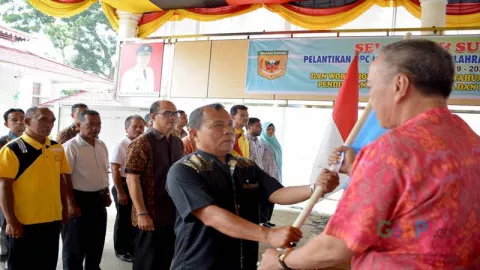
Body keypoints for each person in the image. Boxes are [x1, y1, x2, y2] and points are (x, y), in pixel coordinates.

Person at [258, 39, 480, 269]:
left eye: (372, 86)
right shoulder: (470, 141)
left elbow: (337, 246)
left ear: (399, 85)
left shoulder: (393, 148)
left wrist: (281, 262)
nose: (371, 98)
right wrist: (358, 170)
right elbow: (423, 199)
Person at [166, 103, 338, 270]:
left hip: (243, 260)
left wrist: (316, 187)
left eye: (230, 125)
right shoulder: (184, 170)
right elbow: (210, 215)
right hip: (200, 262)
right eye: (218, 126)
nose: (228, 131)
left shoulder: (245, 165)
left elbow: (277, 192)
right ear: (195, 134)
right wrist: (268, 235)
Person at [0, 107, 70, 270]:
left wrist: (65, 207)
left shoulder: (56, 147)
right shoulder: (12, 149)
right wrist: (11, 220)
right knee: (21, 265)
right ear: (27, 122)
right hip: (23, 221)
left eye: (52, 121)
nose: (49, 124)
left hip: (51, 220)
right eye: (43, 119)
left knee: (47, 263)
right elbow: (4, 187)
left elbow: (60, 179)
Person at [125, 100, 184, 270]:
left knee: (167, 259)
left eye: (175, 114)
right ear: (153, 117)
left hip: (172, 213)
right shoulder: (141, 143)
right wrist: (142, 213)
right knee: (147, 262)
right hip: (149, 213)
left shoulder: (177, 142)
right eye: (167, 114)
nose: (172, 118)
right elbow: (132, 180)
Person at [62, 110, 111, 270]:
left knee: (96, 242)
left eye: (99, 125)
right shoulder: (71, 146)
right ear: (78, 125)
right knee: (75, 245)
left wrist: (107, 193)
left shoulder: (101, 145)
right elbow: (65, 177)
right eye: (91, 124)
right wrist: (70, 203)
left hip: (98, 199)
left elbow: (103, 171)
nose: (96, 128)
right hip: (78, 199)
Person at [109, 115, 145, 262]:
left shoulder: (142, 143)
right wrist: (120, 191)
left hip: (136, 185)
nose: (138, 129)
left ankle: (132, 247)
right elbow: (115, 169)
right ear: (126, 128)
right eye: (134, 126)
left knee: (134, 218)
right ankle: (121, 249)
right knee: (123, 220)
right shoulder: (121, 144)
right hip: (123, 185)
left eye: (141, 127)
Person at [0, 108, 25, 268]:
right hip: (5, 190)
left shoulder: (32, 142)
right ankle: (6, 255)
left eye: (22, 118)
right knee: (6, 224)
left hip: (25, 193)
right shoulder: (3, 143)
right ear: (6, 123)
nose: (19, 122)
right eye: (14, 120)